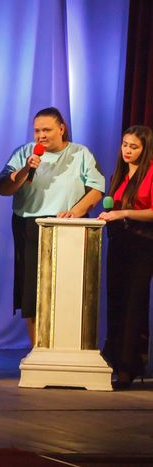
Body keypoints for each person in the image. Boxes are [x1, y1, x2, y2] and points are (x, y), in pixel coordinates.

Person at [0, 107, 104, 346]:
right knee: (32, 289)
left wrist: (75, 212)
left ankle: (67, 345)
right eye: (37, 131)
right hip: (29, 225)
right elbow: (4, 188)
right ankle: (37, 347)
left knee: (66, 288)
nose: (41, 135)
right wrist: (27, 169)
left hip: (67, 226)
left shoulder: (80, 153)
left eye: (46, 130)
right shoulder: (24, 152)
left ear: (61, 129)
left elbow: (97, 189)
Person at [98, 125, 153, 389]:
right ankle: (116, 361)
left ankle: (129, 367)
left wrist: (124, 213)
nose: (127, 151)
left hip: (142, 244)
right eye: (124, 145)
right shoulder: (119, 174)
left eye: (134, 146)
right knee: (117, 302)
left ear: (145, 149)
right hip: (118, 242)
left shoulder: (150, 173)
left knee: (134, 303)